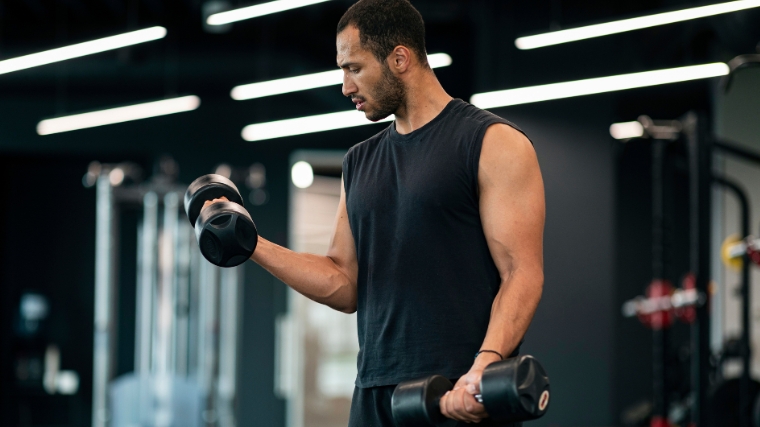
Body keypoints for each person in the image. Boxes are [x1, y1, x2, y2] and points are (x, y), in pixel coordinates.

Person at [205, 0, 545, 424]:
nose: (345, 86)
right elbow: (345, 284)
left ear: (399, 58)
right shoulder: (359, 161)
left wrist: (483, 367)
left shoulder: (492, 143)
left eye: (354, 68)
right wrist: (251, 243)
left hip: (457, 392)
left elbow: (522, 273)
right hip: (374, 394)